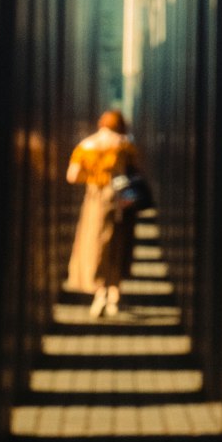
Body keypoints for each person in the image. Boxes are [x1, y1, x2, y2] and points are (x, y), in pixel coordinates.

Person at [65, 108, 142, 318]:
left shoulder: (86, 145)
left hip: (95, 200)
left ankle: (99, 293)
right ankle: (114, 296)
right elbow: (137, 172)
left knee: (97, 244)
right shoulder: (124, 145)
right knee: (119, 243)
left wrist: (94, 178)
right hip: (122, 199)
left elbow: (72, 176)